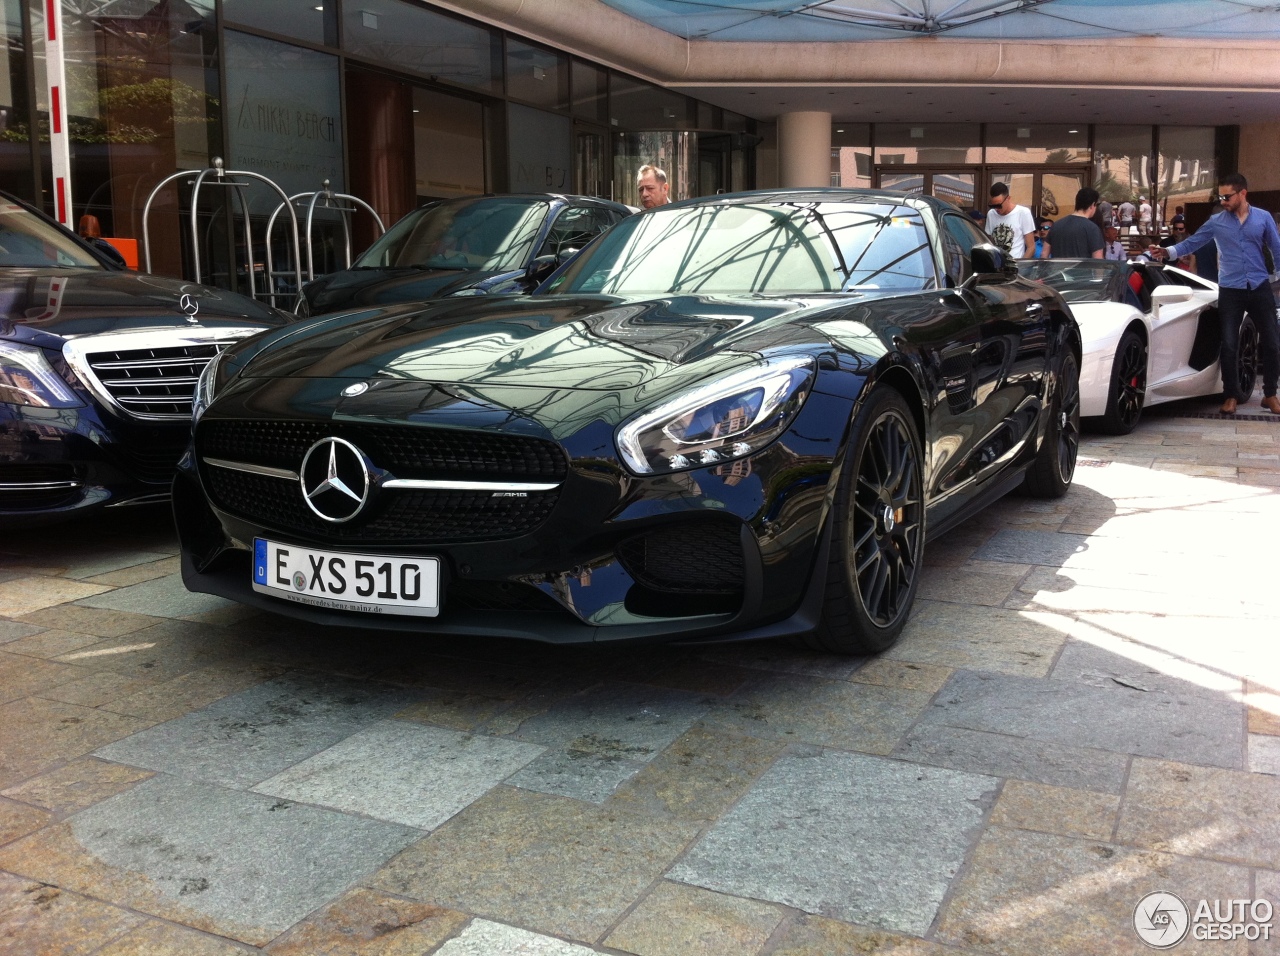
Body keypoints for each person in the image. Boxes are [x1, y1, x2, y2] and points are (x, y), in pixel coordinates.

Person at [1150, 172, 1280, 414]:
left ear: (1243, 193)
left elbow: (1276, 247)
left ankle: (1270, 394)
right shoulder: (1217, 222)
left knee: (1272, 342)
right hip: (1230, 288)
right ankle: (1231, 395)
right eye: (1220, 196)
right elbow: (1192, 243)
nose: (1223, 201)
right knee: (1230, 343)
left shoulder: (1262, 218)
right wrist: (1167, 252)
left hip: (1259, 286)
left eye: (1227, 196)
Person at [1043, 187, 1105, 259]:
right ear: (1092, 205)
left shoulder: (1056, 225)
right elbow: (1097, 259)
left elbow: (1044, 253)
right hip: (1082, 270)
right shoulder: (1093, 229)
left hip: (1057, 269)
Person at [985, 182, 1036, 259]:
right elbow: (989, 242)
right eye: (993, 205)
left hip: (1016, 265)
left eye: (999, 205)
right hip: (997, 265)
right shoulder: (991, 214)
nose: (996, 209)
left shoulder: (1023, 213)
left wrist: (1020, 266)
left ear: (1008, 198)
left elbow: (1031, 247)